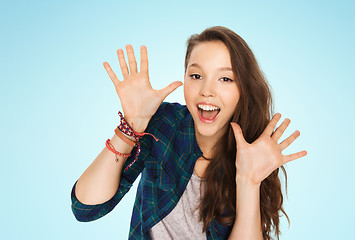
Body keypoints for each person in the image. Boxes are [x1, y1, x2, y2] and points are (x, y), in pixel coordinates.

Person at [70, 26, 307, 240]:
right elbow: (85, 209)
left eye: (225, 78)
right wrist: (130, 126)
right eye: (196, 76)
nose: (207, 91)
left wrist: (248, 181)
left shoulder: (254, 153)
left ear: (243, 89)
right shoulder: (164, 123)